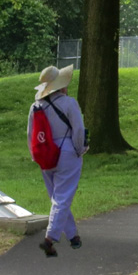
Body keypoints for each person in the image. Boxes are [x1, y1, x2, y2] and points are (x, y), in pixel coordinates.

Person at [27, 65, 88, 257]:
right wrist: (80, 150)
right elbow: (78, 131)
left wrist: (35, 155)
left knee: (58, 197)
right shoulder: (69, 103)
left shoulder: (36, 106)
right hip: (67, 152)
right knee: (63, 197)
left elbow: (31, 135)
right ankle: (50, 238)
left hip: (45, 154)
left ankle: (73, 236)